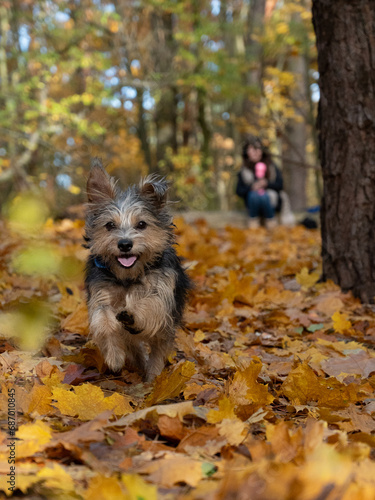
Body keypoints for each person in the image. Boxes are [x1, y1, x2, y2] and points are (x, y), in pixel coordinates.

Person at [236, 136, 283, 229]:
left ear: (262, 150)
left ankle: (270, 221)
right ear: (247, 152)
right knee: (254, 195)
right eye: (251, 149)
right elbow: (239, 191)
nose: (254, 152)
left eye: (257, 149)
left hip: (271, 203)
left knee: (264, 195)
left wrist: (266, 184)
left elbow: (280, 185)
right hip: (252, 204)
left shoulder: (271, 166)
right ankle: (254, 223)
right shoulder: (243, 170)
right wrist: (252, 187)